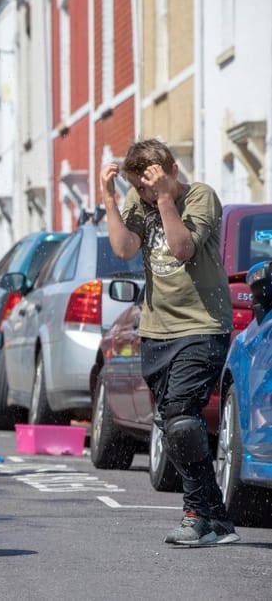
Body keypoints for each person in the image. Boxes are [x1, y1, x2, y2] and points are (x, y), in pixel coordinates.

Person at [101, 138, 239, 546]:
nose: (144, 194)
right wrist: (111, 200)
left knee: (181, 416)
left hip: (202, 326)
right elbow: (126, 248)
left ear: (172, 171)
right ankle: (218, 519)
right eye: (139, 188)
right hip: (157, 329)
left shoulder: (200, 196)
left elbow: (182, 249)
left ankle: (195, 515)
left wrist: (164, 199)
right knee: (173, 426)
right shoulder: (138, 200)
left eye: (150, 185)